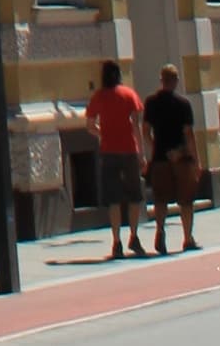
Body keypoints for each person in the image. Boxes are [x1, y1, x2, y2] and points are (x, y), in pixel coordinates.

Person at [80, 51, 149, 259]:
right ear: (119, 75)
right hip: (129, 150)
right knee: (134, 196)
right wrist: (142, 154)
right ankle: (134, 236)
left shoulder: (98, 97)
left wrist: (103, 133)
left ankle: (116, 241)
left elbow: (89, 125)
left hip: (108, 151)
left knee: (114, 199)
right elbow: (136, 126)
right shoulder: (129, 95)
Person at [144, 63, 206, 251]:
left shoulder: (151, 103)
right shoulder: (183, 104)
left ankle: (160, 231)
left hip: (160, 158)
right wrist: (196, 160)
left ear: (161, 80)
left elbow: (145, 131)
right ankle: (187, 238)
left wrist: (154, 148)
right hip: (181, 157)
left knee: (160, 199)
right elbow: (189, 134)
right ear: (176, 80)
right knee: (186, 200)